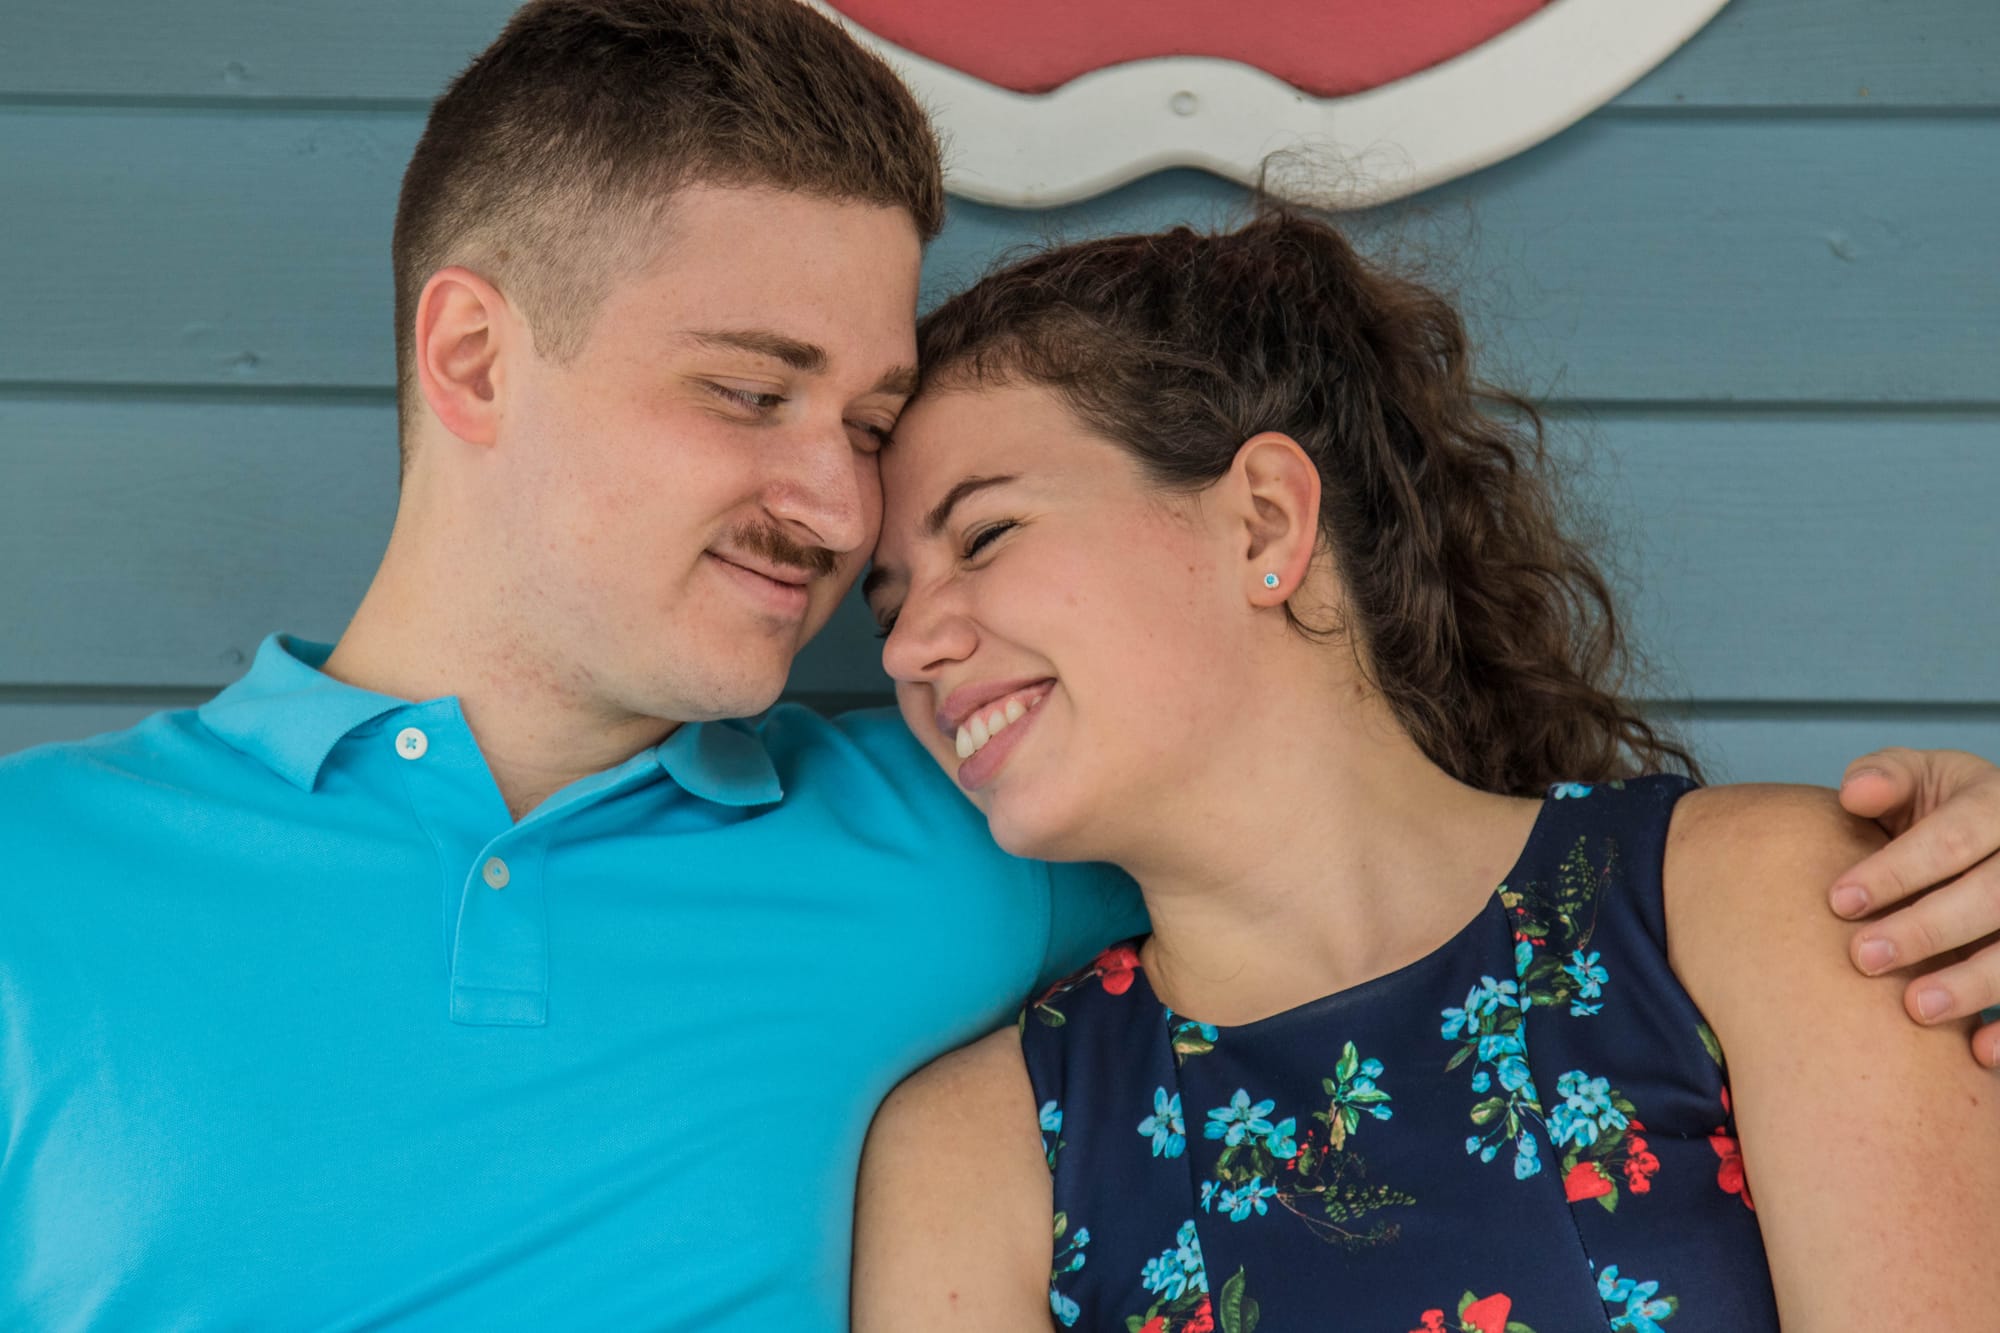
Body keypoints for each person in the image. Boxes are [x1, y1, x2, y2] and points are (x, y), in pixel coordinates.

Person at [0, 1, 1993, 1327]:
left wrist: (1954, 867)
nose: (836, 512)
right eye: (750, 389)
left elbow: (1344, 830)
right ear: (471, 357)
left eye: (869, 424)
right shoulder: (34, 882)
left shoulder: (971, 820)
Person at [851, 210, 2000, 1330]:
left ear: (1261, 522)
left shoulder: (1765, 901)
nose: (907, 651)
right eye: (888, 608)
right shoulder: (981, 1158)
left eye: (984, 535)